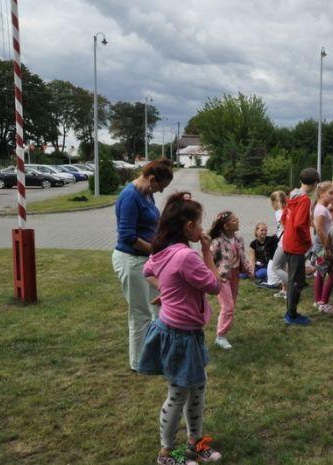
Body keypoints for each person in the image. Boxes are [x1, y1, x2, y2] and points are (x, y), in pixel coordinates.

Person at [137, 192, 222, 465]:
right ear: (188, 228)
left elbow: (149, 271)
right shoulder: (187, 256)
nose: (201, 229)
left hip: (181, 331)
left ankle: (195, 443)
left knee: (197, 388)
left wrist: (168, 290)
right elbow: (215, 285)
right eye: (199, 224)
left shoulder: (163, 249)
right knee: (177, 394)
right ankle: (166, 454)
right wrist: (208, 251)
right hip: (181, 335)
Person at [112, 158, 173, 372]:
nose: (160, 191)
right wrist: (156, 250)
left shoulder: (147, 194)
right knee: (140, 313)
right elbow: (128, 236)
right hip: (131, 260)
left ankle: (156, 354)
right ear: (152, 178)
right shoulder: (130, 196)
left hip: (146, 260)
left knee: (159, 307)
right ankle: (138, 363)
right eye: (160, 187)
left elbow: (152, 224)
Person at [282, 167, 320, 326]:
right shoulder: (304, 200)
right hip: (296, 244)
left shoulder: (293, 194)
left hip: (288, 241)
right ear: (315, 184)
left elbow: (284, 217)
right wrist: (307, 241)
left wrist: (288, 230)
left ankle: (290, 311)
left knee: (293, 279)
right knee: (296, 281)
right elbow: (299, 224)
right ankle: (291, 315)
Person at [209, 211, 252, 350]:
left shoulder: (238, 237)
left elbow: (242, 256)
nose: (238, 220)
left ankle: (222, 324)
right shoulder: (217, 242)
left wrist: (249, 269)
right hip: (222, 277)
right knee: (228, 307)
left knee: (230, 304)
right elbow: (208, 259)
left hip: (235, 275)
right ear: (227, 226)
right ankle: (220, 336)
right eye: (234, 219)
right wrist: (214, 275)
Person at [312, 181, 333, 314]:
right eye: (331, 193)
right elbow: (319, 230)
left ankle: (318, 300)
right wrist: (327, 248)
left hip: (326, 244)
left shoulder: (324, 207)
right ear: (321, 194)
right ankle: (323, 302)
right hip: (324, 246)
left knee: (321, 273)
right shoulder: (321, 209)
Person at [269, 191, 289, 299]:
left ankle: (293, 285)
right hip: (288, 242)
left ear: (275, 202)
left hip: (283, 243)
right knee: (283, 266)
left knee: (275, 267)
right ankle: (284, 290)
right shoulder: (288, 210)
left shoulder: (279, 213)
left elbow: (285, 227)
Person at [249, 222, 280, 289]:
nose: (264, 232)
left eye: (265, 230)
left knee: (260, 274)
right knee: (242, 274)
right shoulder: (253, 244)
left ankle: (267, 275)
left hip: (267, 266)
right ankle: (255, 273)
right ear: (256, 231)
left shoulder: (271, 240)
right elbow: (252, 259)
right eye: (262, 230)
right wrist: (252, 270)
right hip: (258, 265)